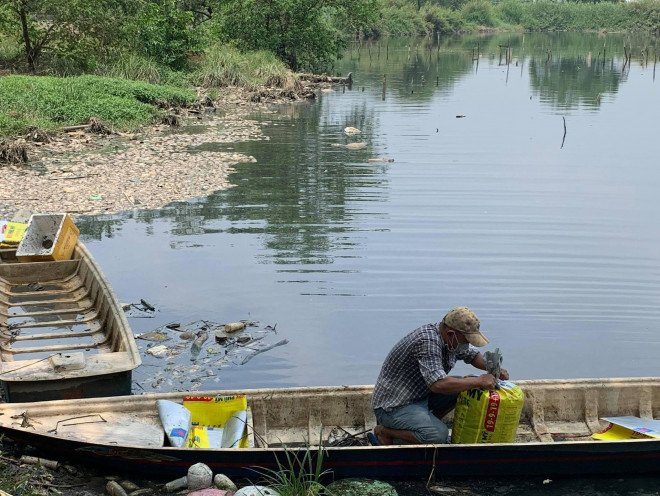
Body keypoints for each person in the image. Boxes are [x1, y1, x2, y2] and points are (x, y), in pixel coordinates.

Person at [369, 306, 509, 445]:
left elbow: (473, 356)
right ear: (450, 333)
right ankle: (385, 431)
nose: (468, 345)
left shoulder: (452, 341)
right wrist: (478, 381)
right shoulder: (428, 342)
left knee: (465, 385)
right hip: (394, 405)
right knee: (438, 436)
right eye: (466, 340)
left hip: (419, 395)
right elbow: (438, 384)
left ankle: (425, 426)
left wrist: (493, 368)